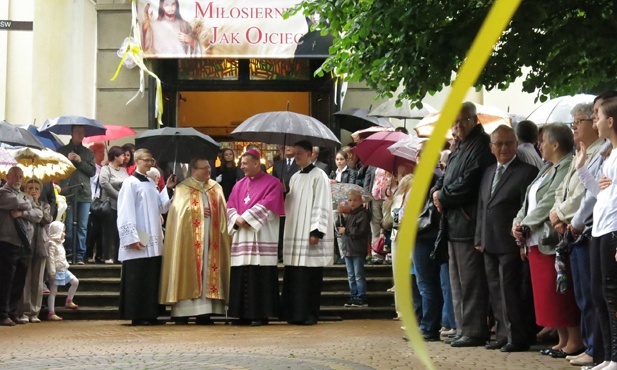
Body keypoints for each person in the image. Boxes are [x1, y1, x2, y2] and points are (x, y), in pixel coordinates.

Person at [512, 123, 582, 358]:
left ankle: (574, 340)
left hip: (549, 239)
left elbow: (549, 201)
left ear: (555, 144)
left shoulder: (565, 166)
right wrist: (518, 220)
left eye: (543, 141)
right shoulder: (545, 168)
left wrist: (526, 224)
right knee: (546, 295)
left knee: (560, 292)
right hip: (534, 240)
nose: (539, 145)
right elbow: (529, 198)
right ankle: (561, 340)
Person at [431, 102, 495, 347]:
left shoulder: (481, 145)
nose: (457, 127)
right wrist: (437, 192)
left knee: (471, 282)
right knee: (456, 281)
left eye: (461, 121)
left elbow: (469, 182)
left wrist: (442, 196)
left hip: (469, 222)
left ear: (474, 119)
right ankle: (462, 327)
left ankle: (474, 330)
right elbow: (446, 177)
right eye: (454, 123)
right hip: (454, 223)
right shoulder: (459, 147)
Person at [548, 103, 604, 366]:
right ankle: (589, 344)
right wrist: (557, 213)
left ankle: (596, 347)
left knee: (593, 293)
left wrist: (564, 216)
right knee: (581, 292)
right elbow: (563, 191)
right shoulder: (579, 152)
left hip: (586, 228)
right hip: (572, 229)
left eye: (578, 122)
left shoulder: (599, 152)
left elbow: (585, 193)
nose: (575, 128)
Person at [475, 125, 538, 352]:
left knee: (511, 291)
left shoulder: (526, 172)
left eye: (509, 143)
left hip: (511, 242)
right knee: (495, 290)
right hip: (488, 241)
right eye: (499, 143)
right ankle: (502, 334)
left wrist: (522, 242)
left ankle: (517, 337)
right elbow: (484, 207)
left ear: (516, 145)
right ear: (491, 147)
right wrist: (478, 237)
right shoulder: (489, 171)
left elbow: (527, 208)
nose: (504, 148)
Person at [571, 91, 617, 368]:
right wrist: (582, 169)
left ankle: (614, 356)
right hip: (599, 229)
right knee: (599, 293)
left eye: (597, 117)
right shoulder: (610, 156)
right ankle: (607, 356)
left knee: (611, 294)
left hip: (612, 230)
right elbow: (602, 197)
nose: (594, 122)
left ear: (610, 121)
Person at [159, 157, 230, 325]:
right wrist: (197, 211)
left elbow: (224, 213)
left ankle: (205, 312)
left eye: (209, 168)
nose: (208, 171)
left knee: (208, 269)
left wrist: (213, 211)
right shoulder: (183, 188)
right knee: (187, 269)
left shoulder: (216, 187)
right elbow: (177, 214)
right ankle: (183, 312)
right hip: (188, 241)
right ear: (193, 171)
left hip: (212, 239)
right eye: (204, 168)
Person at [116, 149, 176, 326]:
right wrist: (131, 237)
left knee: (151, 275)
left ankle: (151, 314)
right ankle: (138, 314)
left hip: (153, 234)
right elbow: (125, 210)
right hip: (139, 233)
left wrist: (169, 189)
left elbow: (161, 207)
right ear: (137, 160)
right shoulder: (130, 183)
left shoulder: (150, 183)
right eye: (147, 160)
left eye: (152, 160)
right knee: (138, 275)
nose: (150, 164)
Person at [226, 149, 285, 326]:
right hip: (242, 234)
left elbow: (269, 204)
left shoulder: (273, 183)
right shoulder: (238, 185)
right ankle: (241, 314)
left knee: (260, 275)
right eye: (241, 163)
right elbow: (230, 205)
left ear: (255, 163)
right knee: (241, 273)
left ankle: (261, 314)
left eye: (244, 163)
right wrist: (237, 218)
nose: (241, 166)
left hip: (261, 234)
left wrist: (247, 217)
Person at [281, 140, 334, 325]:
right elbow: (291, 204)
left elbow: (321, 203)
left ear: (311, 154)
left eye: (299, 154)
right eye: (294, 153)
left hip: (309, 232)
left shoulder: (320, 176)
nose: (296, 157)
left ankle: (309, 314)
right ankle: (293, 313)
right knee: (294, 274)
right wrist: (284, 193)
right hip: (296, 230)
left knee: (309, 276)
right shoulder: (294, 177)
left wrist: (316, 231)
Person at [0, 167, 42, 326]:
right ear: (7, 177)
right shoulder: (3, 193)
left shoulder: (25, 196)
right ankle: (2, 314)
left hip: (24, 244)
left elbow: (38, 215)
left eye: (20, 176)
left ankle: (12, 312)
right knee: (6, 280)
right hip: (7, 242)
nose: (18, 179)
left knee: (19, 281)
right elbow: (15, 202)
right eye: (15, 176)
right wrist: (29, 204)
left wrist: (23, 213)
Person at [57, 125, 96, 265]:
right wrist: (66, 159)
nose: (80, 135)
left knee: (82, 226)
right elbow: (58, 169)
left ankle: (80, 255)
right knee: (67, 224)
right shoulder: (61, 151)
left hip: (84, 192)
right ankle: (68, 253)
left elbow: (92, 172)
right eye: (77, 132)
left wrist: (80, 161)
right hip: (67, 191)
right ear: (71, 133)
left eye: (82, 133)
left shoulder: (88, 153)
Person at [19, 179, 53, 323]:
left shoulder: (44, 205)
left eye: (36, 189)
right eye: (30, 188)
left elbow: (45, 219)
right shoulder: (21, 203)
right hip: (26, 244)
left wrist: (36, 203)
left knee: (38, 281)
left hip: (40, 245)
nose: (33, 190)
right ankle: (25, 311)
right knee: (26, 280)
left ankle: (35, 311)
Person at [337, 190, 371, 307]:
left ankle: (361, 296)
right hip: (348, 248)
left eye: (355, 200)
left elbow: (361, 231)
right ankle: (353, 294)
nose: (352, 203)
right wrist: (340, 216)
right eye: (350, 200)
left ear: (360, 201)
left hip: (357, 248)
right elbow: (340, 226)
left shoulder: (363, 214)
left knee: (358, 274)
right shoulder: (350, 214)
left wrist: (346, 230)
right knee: (351, 275)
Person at [99, 146, 130, 264]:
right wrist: (118, 195)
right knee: (108, 231)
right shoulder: (106, 169)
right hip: (110, 204)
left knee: (119, 231)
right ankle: (107, 256)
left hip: (122, 206)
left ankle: (118, 255)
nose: (124, 158)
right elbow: (104, 183)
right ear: (116, 156)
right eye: (122, 155)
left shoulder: (123, 170)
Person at [45, 221, 80, 321]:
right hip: (56, 270)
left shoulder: (60, 243)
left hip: (63, 269)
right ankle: (51, 312)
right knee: (53, 292)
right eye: (62, 232)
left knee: (75, 281)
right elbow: (50, 260)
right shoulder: (52, 244)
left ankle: (69, 301)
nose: (64, 234)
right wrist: (52, 272)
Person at [329, 150, 358, 264]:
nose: (339, 162)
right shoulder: (333, 172)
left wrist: (335, 182)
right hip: (334, 203)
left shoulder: (351, 172)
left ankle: (348, 253)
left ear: (346, 160)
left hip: (346, 203)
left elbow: (350, 187)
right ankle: (341, 254)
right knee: (337, 229)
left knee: (346, 228)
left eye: (341, 159)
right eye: (337, 159)